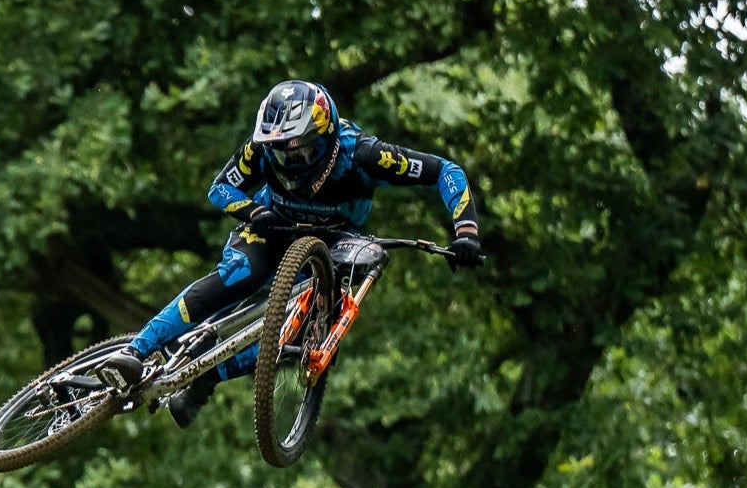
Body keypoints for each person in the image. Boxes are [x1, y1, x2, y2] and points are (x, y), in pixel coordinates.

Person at [131, 80, 484, 427]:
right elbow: (219, 189)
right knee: (238, 276)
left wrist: (466, 232)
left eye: (306, 150)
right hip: (271, 227)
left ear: (328, 136)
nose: (296, 159)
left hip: (335, 242)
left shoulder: (364, 155)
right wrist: (254, 213)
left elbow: (445, 171)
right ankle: (135, 350)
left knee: (301, 337)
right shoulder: (260, 148)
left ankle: (208, 375)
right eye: (285, 151)